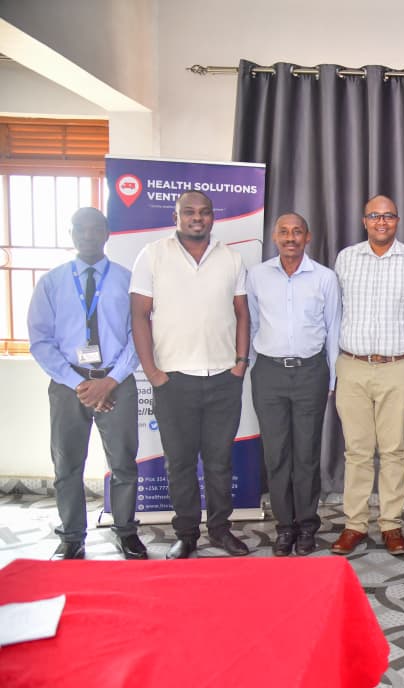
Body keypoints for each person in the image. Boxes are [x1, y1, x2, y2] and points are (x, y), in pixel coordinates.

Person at [130, 190, 251, 559]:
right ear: (176, 216)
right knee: (179, 462)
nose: (197, 217)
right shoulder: (152, 255)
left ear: (213, 217)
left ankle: (219, 530)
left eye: (204, 212)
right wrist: (152, 372)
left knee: (219, 461)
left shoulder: (231, 258)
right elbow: (139, 315)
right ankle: (186, 534)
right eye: (189, 212)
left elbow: (242, 313)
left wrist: (240, 362)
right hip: (173, 380)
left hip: (222, 378)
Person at [27, 208, 146, 560]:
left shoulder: (127, 280)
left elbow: (137, 337)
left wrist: (109, 381)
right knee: (67, 464)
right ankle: (72, 536)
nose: (88, 235)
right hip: (68, 386)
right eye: (81, 229)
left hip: (117, 381)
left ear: (107, 233)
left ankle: (126, 532)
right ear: (71, 233)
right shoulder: (52, 282)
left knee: (124, 462)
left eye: (95, 229)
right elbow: (40, 340)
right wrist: (79, 384)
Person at [331, 195, 404, 556]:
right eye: (374, 216)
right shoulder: (345, 259)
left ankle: (391, 524)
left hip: (399, 367)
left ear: (398, 220)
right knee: (357, 451)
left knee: (394, 450)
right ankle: (355, 524)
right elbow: (334, 315)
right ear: (364, 221)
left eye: (388, 216)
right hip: (353, 365)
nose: (381, 221)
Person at [246, 212, 340, 556]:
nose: (290, 238)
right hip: (268, 373)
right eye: (284, 232)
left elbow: (334, 328)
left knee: (306, 455)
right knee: (276, 454)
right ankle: (284, 527)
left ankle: (306, 526)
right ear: (274, 236)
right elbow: (252, 325)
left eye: (297, 232)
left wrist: (330, 379)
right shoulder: (257, 276)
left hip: (310, 373)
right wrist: (255, 370)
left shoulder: (324, 278)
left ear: (308, 237)